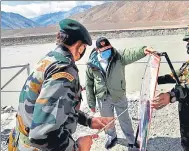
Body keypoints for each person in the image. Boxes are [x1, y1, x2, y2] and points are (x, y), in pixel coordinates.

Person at [7, 19, 113, 151]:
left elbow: (56, 107)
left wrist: (88, 121)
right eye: (83, 47)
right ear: (80, 47)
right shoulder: (64, 71)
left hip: (20, 142)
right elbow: (42, 134)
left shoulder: (50, 59)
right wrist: (78, 147)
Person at [85, 37, 155, 149]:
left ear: (111, 46)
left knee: (125, 119)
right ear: (98, 50)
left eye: (108, 48)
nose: (107, 51)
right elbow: (89, 84)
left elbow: (130, 53)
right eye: (103, 50)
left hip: (119, 95)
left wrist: (143, 50)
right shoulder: (91, 64)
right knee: (107, 121)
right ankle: (111, 137)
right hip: (103, 97)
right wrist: (91, 104)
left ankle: (131, 140)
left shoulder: (118, 57)